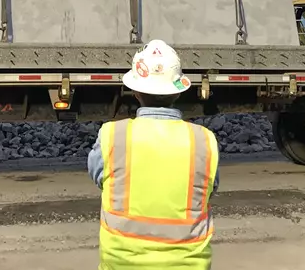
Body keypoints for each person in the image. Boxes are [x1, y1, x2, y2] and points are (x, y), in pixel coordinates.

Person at [87, 40, 220, 270]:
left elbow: (100, 178)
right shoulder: (204, 141)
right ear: (177, 92)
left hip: (122, 264)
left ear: (136, 92)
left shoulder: (112, 135)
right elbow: (209, 189)